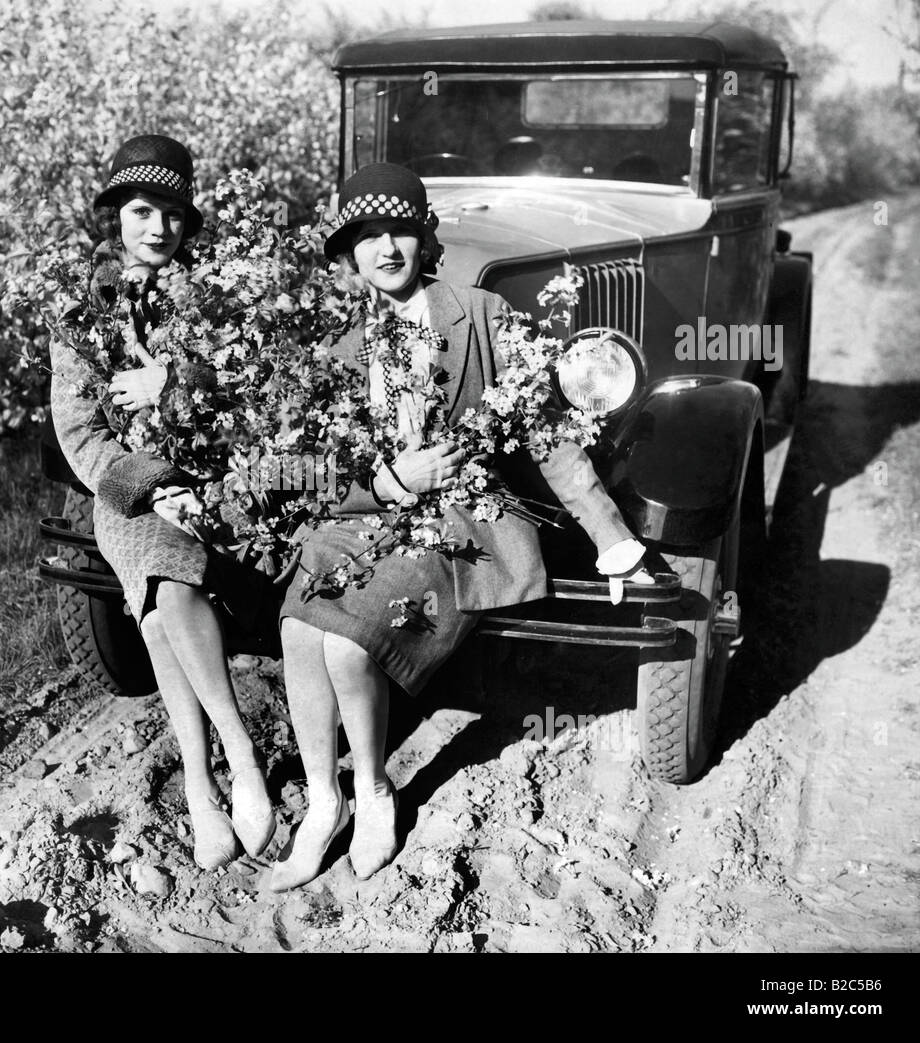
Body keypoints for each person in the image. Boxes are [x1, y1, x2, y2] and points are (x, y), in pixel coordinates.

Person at [270, 163, 651, 891]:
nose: (386, 249)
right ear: (348, 251)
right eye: (367, 235)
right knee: (297, 629)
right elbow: (316, 462)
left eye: (400, 231)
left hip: (462, 517)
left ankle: (374, 788)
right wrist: (385, 481)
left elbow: (546, 432)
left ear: (424, 239)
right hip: (371, 511)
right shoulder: (345, 349)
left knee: (350, 648)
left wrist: (611, 534)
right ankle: (325, 798)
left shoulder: (480, 314)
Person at [49, 134, 275, 870]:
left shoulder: (216, 294)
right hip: (125, 489)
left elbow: (251, 394)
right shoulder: (81, 312)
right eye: (142, 210)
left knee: (154, 610)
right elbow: (81, 434)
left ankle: (208, 777)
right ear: (116, 215)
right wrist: (154, 484)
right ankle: (231, 757)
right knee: (163, 579)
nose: (158, 228)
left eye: (173, 214)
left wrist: (172, 383)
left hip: (216, 476)